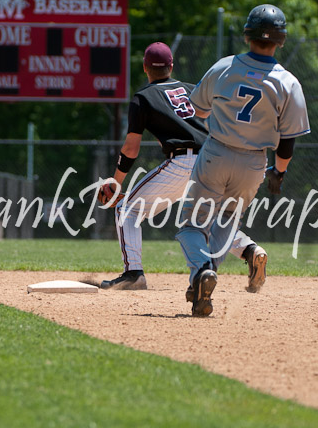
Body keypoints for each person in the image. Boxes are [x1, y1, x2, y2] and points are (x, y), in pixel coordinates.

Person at [98, 42, 268, 292]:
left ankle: (133, 273)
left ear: (145, 68)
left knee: (127, 209)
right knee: (209, 222)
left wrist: (117, 180)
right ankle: (251, 250)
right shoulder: (191, 89)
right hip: (214, 158)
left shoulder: (143, 97)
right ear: (171, 66)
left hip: (183, 161)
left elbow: (131, 148)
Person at [176, 4, 310, 317]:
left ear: (247, 34)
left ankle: (201, 272)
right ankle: (205, 275)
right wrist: (278, 171)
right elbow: (288, 139)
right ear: (281, 39)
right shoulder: (287, 82)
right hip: (253, 165)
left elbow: (198, 110)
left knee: (190, 224)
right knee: (226, 221)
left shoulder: (224, 67)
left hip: (217, 152)